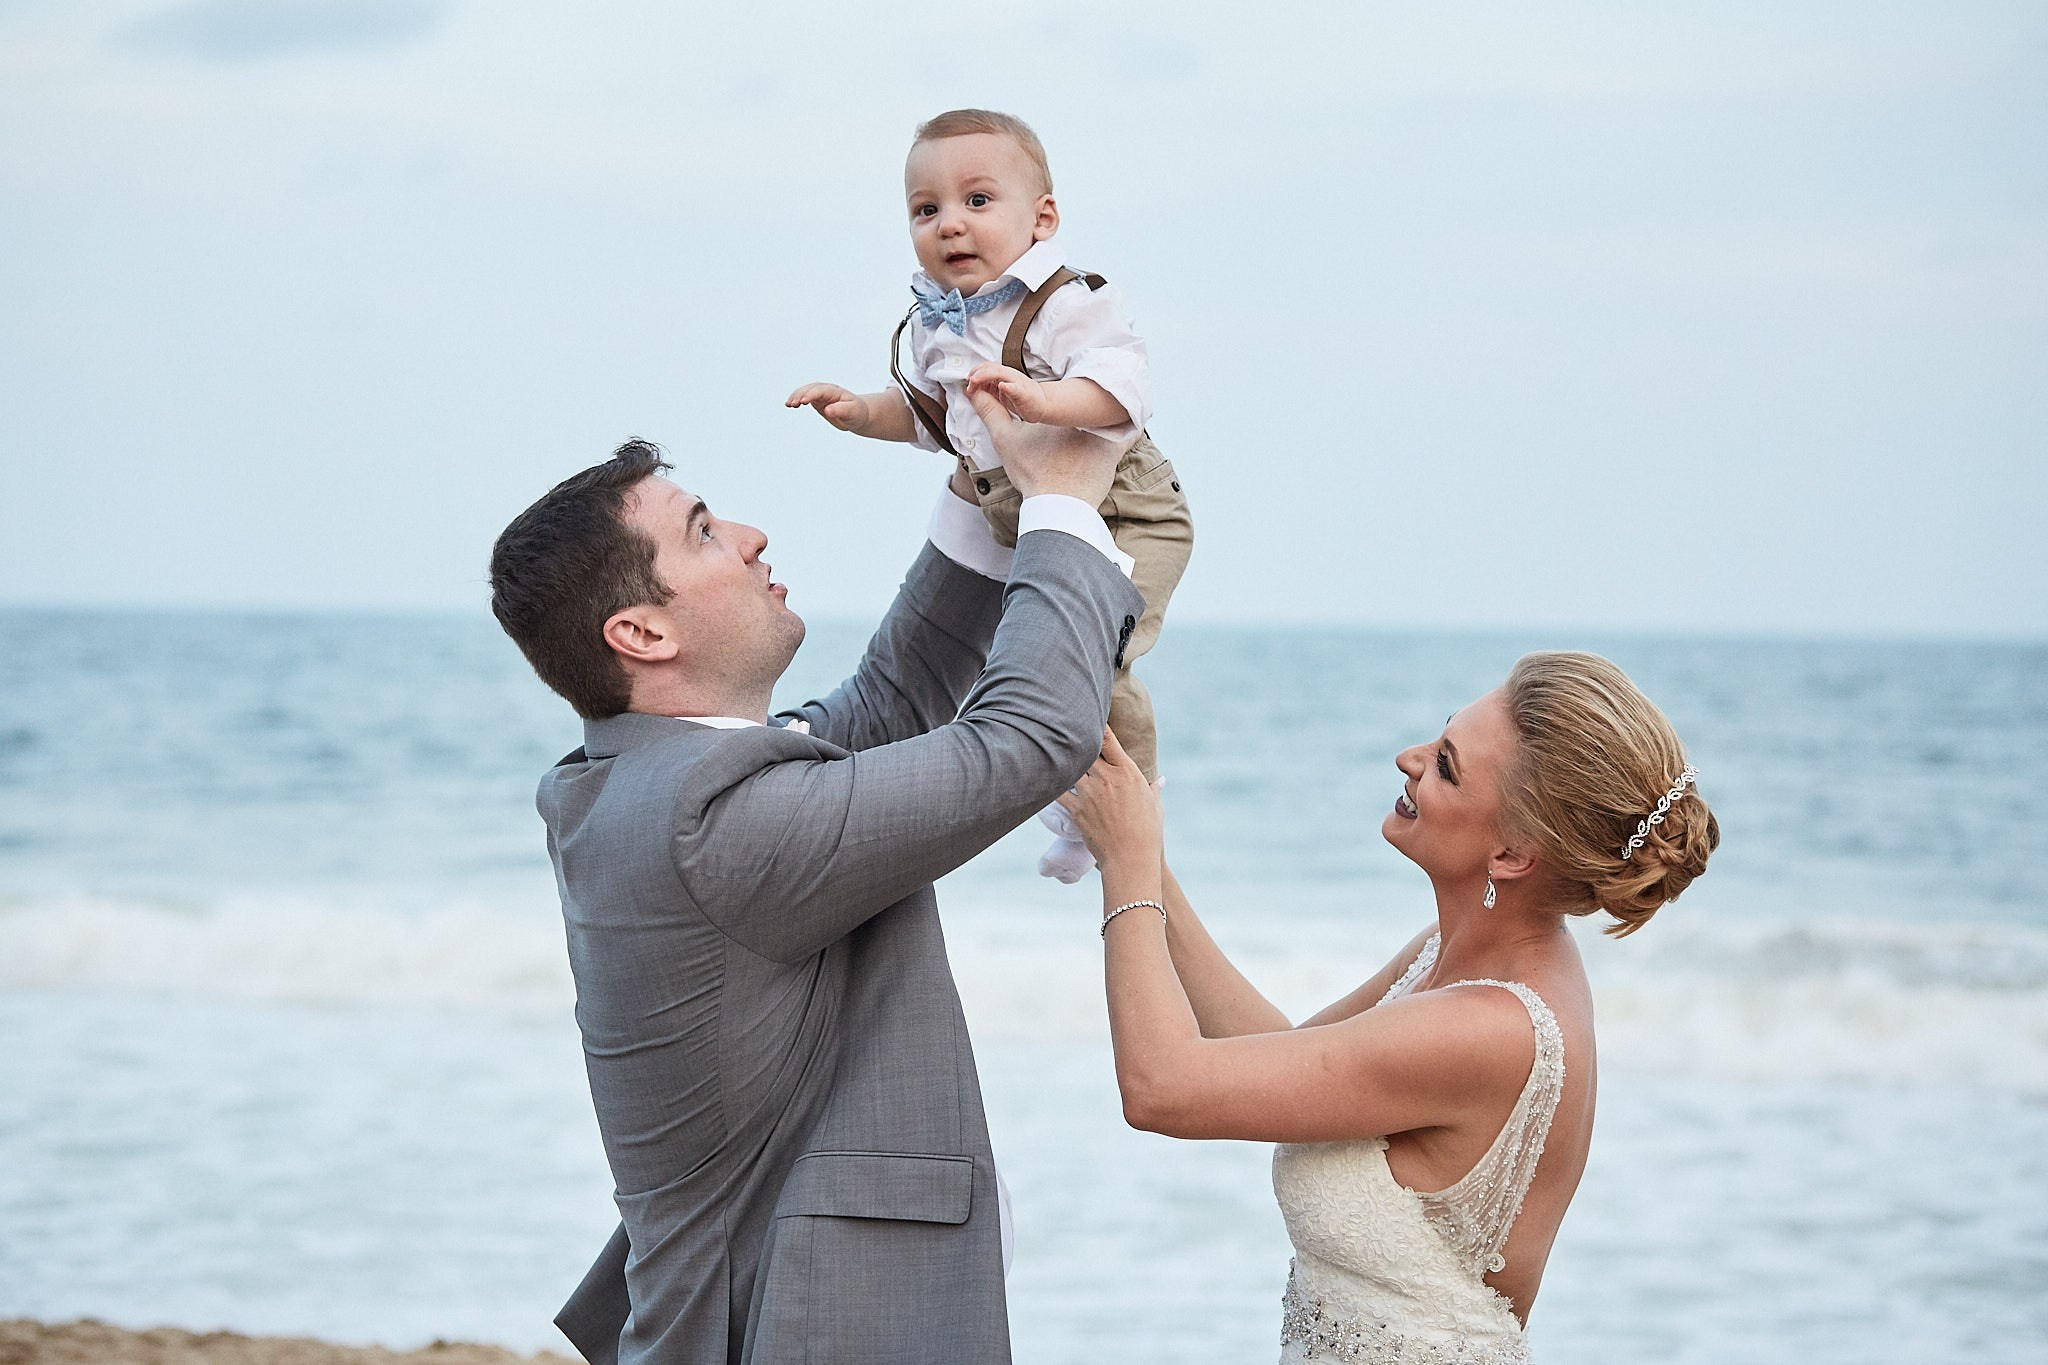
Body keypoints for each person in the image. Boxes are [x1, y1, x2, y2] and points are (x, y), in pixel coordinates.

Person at [487, 401, 1143, 1364]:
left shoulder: (644, 783)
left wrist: (977, 479)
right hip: (801, 1328)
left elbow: (889, 704)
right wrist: (1061, 504)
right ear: (642, 632)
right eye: (704, 531)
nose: (751, 538)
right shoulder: (711, 825)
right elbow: (1028, 741)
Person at [1060, 652, 1719, 1363]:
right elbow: (1283, 1051)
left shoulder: (1493, 1028)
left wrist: (1128, 864)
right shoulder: (1454, 953)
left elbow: (1163, 1086)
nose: (1407, 758)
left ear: (1514, 853)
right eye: (1439, 737)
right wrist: (1135, 841)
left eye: (1446, 765)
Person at [787, 107, 1193, 883]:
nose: (949, 225)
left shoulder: (1067, 302)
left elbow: (1124, 384)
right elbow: (929, 416)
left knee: (1095, 664)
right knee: (1019, 668)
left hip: (1127, 510)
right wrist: (858, 412)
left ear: (1041, 219)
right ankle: (1075, 796)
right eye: (925, 209)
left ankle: (1125, 810)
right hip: (1021, 515)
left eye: (977, 201)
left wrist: (1049, 403)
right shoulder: (935, 326)